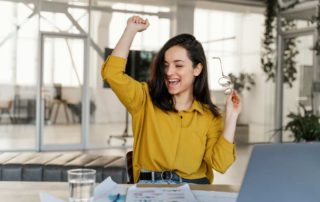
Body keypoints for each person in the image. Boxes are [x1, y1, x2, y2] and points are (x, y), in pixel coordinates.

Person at [101, 16, 241, 184]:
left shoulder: (210, 116)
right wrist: (130, 30)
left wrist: (231, 118)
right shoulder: (144, 99)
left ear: (197, 69)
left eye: (178, 65)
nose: (169, 72)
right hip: (150, 187)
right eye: (165, 65)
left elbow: (221, 164)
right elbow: (112, 74)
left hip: (194, 188)